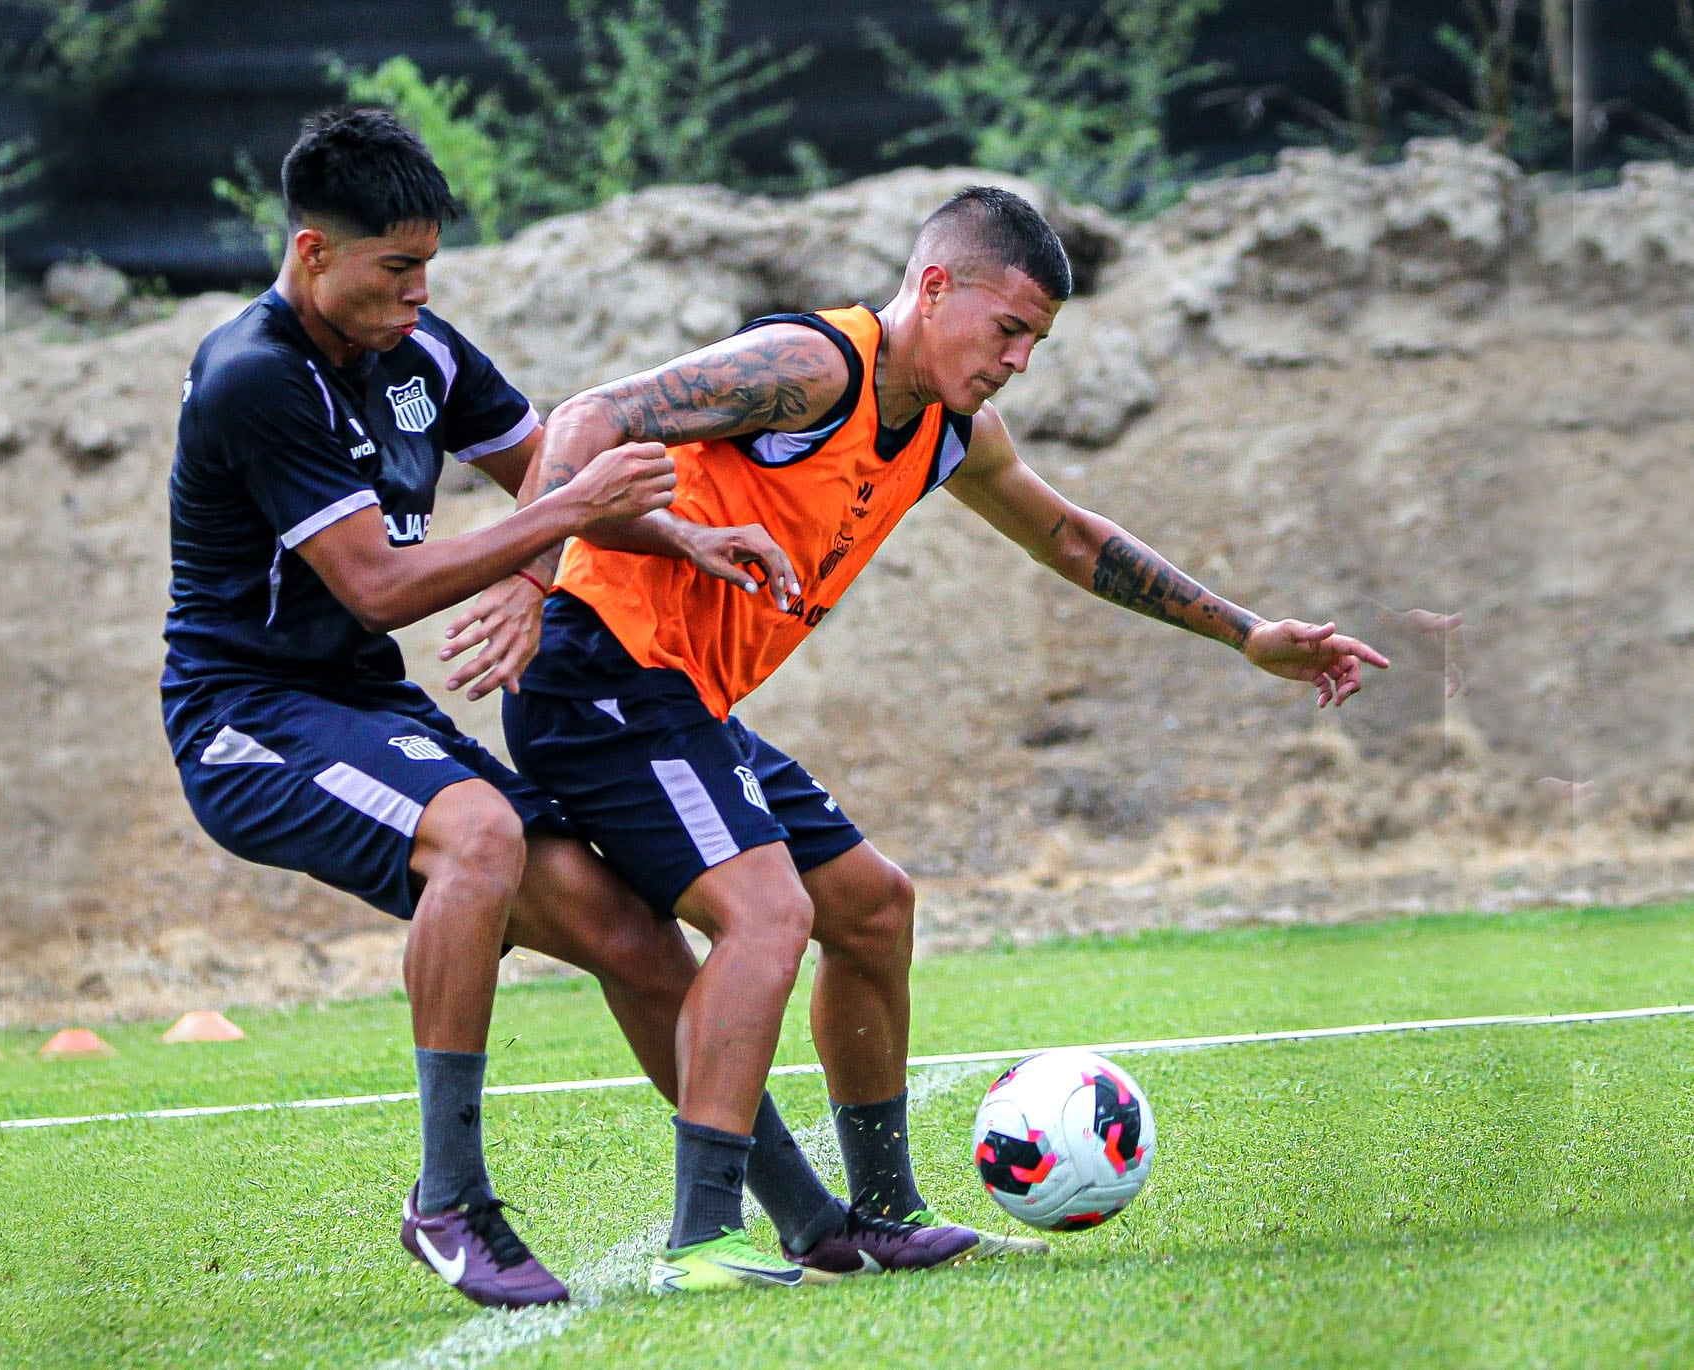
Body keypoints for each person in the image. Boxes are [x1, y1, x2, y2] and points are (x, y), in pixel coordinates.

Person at [474, 186, 1390, 1293]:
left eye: (1036, 341)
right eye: (1007, 329)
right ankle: (703, 1237)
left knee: (872, 905)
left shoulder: (950, 428)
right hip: (602, 673)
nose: (1016, 359)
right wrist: (526, 574)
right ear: (936, 285)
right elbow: (584, 416)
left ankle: (876, 1211)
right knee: (767, 912)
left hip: (684, 697)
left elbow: (1066, 533)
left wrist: (1246, 634)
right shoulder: (810, 368)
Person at [161, 107, 769, 1310]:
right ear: (311, 253)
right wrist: (555, 523)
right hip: (248, 716)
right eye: (394, 267)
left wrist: (684, 534)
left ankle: (791, 1217)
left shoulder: (423, 352)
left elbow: (542, 472)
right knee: (476, 833)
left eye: (428, 264)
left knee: (632, 933)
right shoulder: (253, 379)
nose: (417, 290)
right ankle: (448, 1200)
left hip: (361, 707)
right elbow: (383, 586)